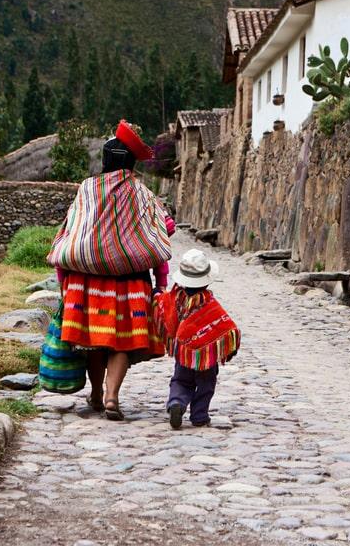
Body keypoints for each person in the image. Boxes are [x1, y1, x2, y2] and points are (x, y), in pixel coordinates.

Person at [53, 121, 168, 421]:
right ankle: (112, 396)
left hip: (86, 282)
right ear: (131, 162)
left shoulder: (87, 190)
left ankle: (95, 393)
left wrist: (63, 281)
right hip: (130, 283)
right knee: (121, 342)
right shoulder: (142, 195)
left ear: (105, 160)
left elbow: (70, 232)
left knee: (94, 341)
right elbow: (157, 239)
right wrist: (160, 284)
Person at [154, 249, 241, 429]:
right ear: (206, 280)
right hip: (206, 358)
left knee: (180, 380)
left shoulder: (176, 298)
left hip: (183, 353)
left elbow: (162, 305)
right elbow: (226, 327)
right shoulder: (208, 302)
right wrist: (230, 348)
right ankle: (199, 415)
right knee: (206, 385)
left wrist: (156, 293)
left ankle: (177, 403)